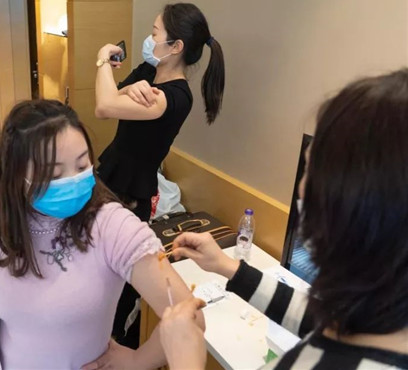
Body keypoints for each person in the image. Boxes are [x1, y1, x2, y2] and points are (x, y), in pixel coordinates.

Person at [161, 69, 408, 369]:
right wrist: (226, 266)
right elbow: (316, 319)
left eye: (310, 170)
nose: (302, 187)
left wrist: (184, 359)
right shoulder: (379, 318)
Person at [0, 100, 205, 369]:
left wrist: (137, 360)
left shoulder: (112, 226)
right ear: (16, 175)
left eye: (82, 165)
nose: (72, 180)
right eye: (54, 173)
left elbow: (190, 318)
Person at [95, 2, 225, 348]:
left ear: (176, 46)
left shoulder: (175, 97)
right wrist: (127, 88)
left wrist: (102, 60)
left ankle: (114, 347)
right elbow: (116, 96)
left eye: (155, 33)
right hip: (109, 181)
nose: (149, 39)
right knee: (95, 272)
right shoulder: (148, 71)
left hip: (129, 196)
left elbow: (104, 106)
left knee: (114, 284)